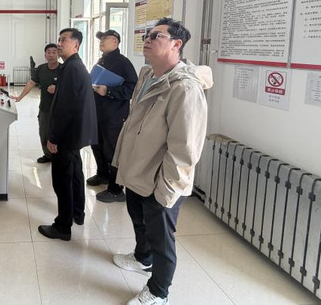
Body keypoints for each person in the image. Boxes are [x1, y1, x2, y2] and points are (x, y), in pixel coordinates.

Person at [111, 18, 212, 305]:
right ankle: (142, 258)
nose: (148, 39)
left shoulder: (184, 89)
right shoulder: (147, 74)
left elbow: (185, 148)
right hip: (137, 169)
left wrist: (167, 189)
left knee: (161, 238)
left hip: (160, 178)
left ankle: (158, 291)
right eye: (147, 34)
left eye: (156, 35)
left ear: (176, 44)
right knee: (138, 220)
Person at [38, 28, 97, 241]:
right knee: (75, 174)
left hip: (66, 135)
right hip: (75, 134)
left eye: (64, 40)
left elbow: (64, 109)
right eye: (59, 39)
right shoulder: (74, 66)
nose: (59, 44)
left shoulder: (72, 68)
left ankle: (63, 226)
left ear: (76, 45)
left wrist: (53, 137)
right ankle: (77, 213)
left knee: (62, 180)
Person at [87, 29, 137, 203]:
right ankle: (103, 174)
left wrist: (108, 91)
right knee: (97, 145)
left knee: (112, 150)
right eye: (100, 38)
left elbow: (132, 88)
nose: (101, 41)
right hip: (98, 112)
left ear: (115, 42)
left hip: (114, 115)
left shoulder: (123, 63)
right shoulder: (102, 60)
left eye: (105, 38)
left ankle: (116, 189)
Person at [11, 43, 61, 163]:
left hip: (60, 109)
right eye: (49, 52)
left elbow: (71, 87)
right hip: (45, 108)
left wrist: (57, 89)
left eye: (54, 52)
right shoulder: (41, 69)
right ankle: (48, 155)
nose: (51, 55)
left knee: (59, 134)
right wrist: (20, 97)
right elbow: (31, 83)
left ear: (58, 54)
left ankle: (59, 156)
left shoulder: (64, 69)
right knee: (44, 133)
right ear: (45, 55)